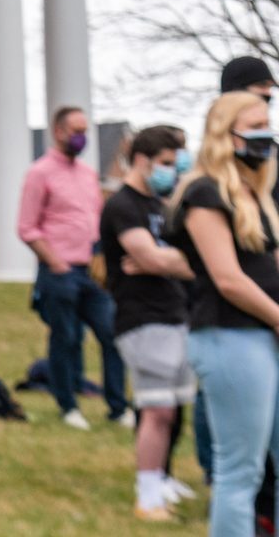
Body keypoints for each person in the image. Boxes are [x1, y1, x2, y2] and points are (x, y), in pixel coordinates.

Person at [167, 91, 279, 537]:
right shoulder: (203, 193)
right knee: (241, 472)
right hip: (231, 338)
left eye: (267, 124)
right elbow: (227, 278)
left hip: (265, 334)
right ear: (225, 133)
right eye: (254, 126)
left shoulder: (257, 194)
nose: (266, 135)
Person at [103, 125, 198, 522]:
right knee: (156, 412)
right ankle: (147, 498)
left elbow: (165, 258)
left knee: (171, 411)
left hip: (175, 314)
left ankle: (159, 482)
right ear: (142, 160)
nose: (170, 172)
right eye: (164, 164)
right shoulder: (122, 206)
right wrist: (195, 263)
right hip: (143, 319)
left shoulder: (160, 204)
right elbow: (154, 258)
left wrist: (170, 261)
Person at [20, 105, 131, 431]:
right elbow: (27, 227)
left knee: (112, 334)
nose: (82, 137)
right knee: (66, 338)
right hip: (59, 271)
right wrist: (54, 261)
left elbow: (97, 218)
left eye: (86, 131)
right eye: (76, 131)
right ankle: (68, 404)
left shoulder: (87, 174)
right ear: (58, 132)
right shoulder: (39, 173)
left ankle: (117, 406)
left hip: (91, 272)